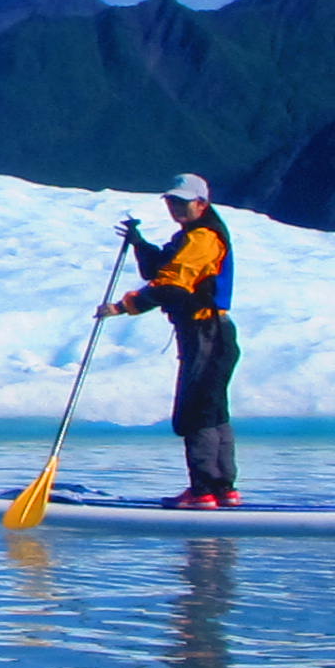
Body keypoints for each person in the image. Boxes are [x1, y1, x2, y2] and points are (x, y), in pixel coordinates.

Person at [109, 173, 239, 507]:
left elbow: (171, 285)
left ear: (201, 203)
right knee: (211, 409)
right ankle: (222, 489)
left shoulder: (204, 239)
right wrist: (139, 244)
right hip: (206, 334)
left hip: (206, 334)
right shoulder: (190, 236)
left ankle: (204, 490)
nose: (176, 208)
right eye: (171, 202)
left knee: (197, 411)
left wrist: (124, 306)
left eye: (182, 202)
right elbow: (161, 269)